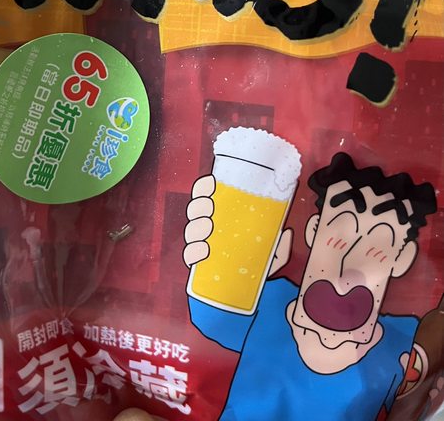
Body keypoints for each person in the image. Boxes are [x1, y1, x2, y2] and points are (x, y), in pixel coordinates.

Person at [184, 152, 437, 420]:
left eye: (377, 245)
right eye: (339, 236)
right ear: (314, 230)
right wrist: (213, 264)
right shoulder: (268, 300)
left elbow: (417, 406)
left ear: (402, 257)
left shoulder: (407, 342)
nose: (348, 262)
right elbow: (209, 317)